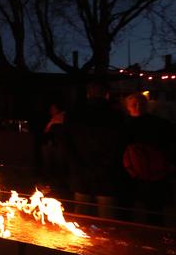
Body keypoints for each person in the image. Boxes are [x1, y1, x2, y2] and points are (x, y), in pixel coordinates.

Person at [63, 81, 126, 219]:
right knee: (106, 218)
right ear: (107, 95)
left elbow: (66, 145)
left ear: (88, 94)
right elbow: (119, 146)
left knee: (80, 218)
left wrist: (77, 165)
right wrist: (105, 167)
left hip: (80, 173)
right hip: (107, 174)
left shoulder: (73, 114)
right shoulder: (117, 116)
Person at [121, 92, 175, 225]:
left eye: (141, 104)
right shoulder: (123, 125)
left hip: (154, 173)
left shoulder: (160, 124)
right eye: (135, 104)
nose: (138, 106)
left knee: (154, 208)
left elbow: (169, 145)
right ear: (128, 107)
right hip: (132, 173)